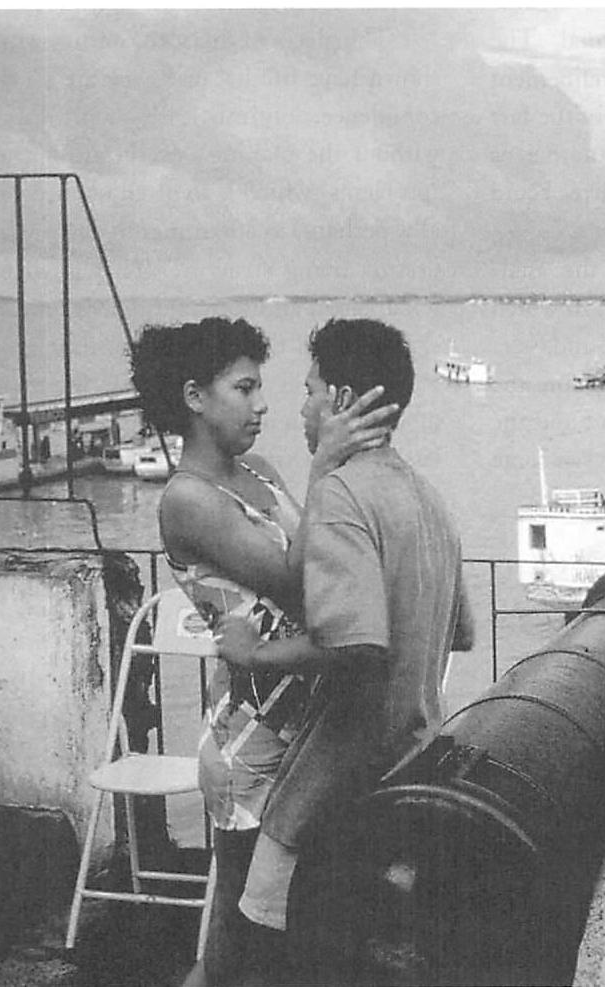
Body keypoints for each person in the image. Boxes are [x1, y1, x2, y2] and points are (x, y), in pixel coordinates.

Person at [129, 316, 397, 987]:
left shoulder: (260, 471)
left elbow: (325, 559)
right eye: (243, 388)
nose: (262, 404)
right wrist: (324, 464)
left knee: (292, 924)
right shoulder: (187, 500)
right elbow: (295, 579)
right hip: (250, 736)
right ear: (195, 396)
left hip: (304, 724)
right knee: (236, 933)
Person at [214, 317, 474, 971]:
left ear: (342, 399)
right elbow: (462, 630)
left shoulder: (340, 493)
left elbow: (356, 646)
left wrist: (252, 654)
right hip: (412, 762)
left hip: (336, 782)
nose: (301, 407)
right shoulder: (429, 499)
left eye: (309, 391)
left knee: (265, 952)